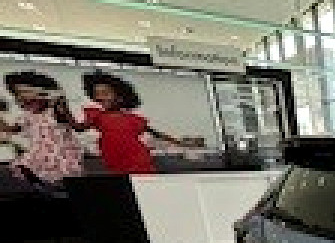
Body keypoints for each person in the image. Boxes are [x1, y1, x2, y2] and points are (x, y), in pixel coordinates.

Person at [63, 70, 203, 175]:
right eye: (97, 94)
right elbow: (79, 127)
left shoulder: (132, 118)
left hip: (138, 159)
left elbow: (155, 133)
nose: (101, 97)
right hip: (115, 160)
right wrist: (64, 110)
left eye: (106, 93)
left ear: (120, 95)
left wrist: (180, 142)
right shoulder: (96, 114)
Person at [0, 70, 83, 185]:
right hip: (39, 155)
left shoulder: (54, 110)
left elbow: (74, 125)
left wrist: (57, 100)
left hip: (61, 154)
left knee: (60, 179)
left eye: (26, 92)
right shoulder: (27, 116)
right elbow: (11, 129)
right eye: (17, 93)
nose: (21, 97)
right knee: (27, 169)